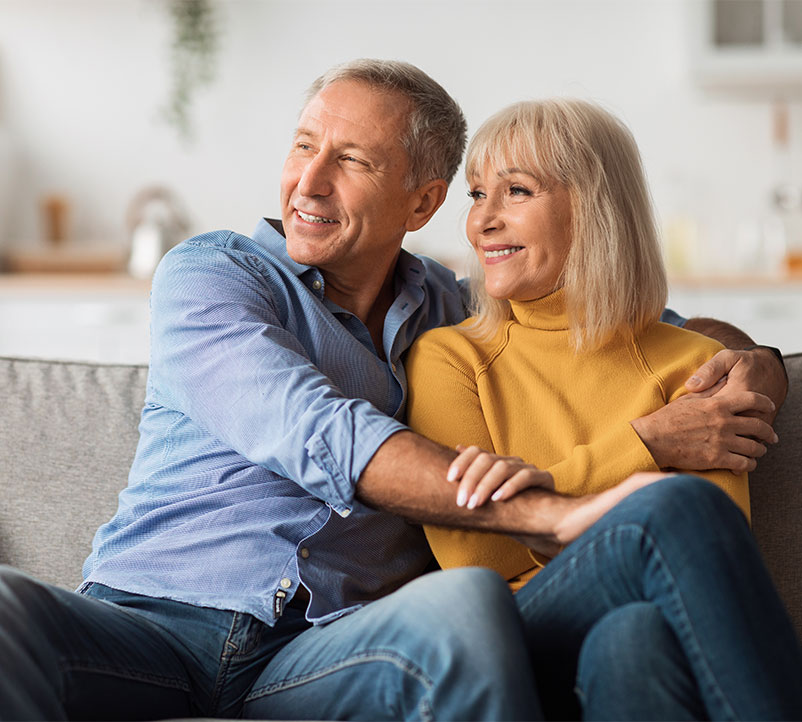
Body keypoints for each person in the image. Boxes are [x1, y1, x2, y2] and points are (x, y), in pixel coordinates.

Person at [0, 60, 790, 721]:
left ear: (423, 200)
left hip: (324, 649)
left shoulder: (454, 310)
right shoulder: (216, 274)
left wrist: (758, 361)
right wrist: (549, 510)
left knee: (468, 607)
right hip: (149, 625)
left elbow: (633, 320)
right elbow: (313, 426)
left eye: (352, 160)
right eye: (304, 145)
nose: (308, 181)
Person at [406, 98, 802, 719]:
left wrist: (548, 491)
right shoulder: (449, 357)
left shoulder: (696, 364)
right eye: (477, 194)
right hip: (519, 628)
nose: (483, 220)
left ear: (593, 209)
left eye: (516, 191)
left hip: (645, 631)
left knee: (634, 640)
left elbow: (713, 558)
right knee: (675, 505)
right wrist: (646, 445)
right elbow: (478, 557)